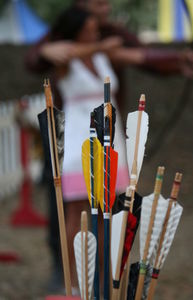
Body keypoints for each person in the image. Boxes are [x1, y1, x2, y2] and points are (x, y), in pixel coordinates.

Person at [26, 5, 129, 293]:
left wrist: (178, 59)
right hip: (78, 141)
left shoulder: (100, 54)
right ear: (77, 30)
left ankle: (104, 279)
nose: (95, 30)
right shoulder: (63, 54)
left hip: (110, 138)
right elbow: (60, 53)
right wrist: (100, 45)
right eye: (89, 28)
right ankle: (73, 281)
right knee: (77, 211)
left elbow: (136, 55)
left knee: (109, 209)